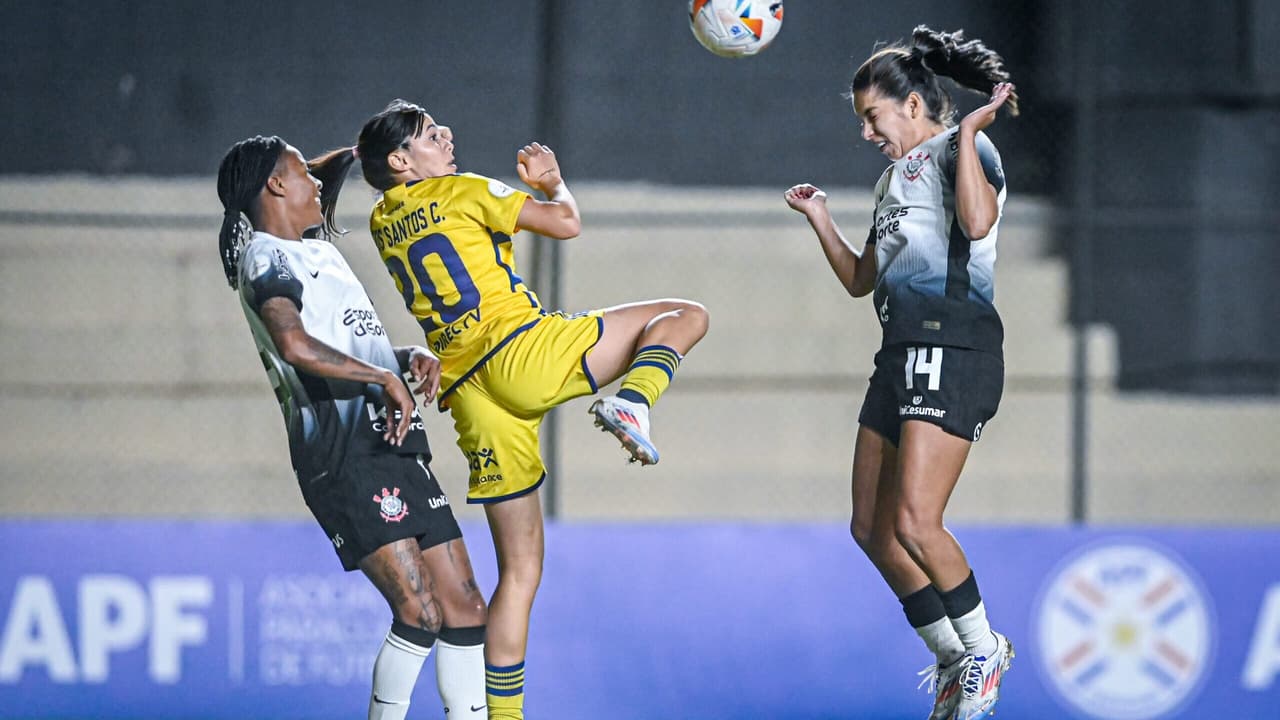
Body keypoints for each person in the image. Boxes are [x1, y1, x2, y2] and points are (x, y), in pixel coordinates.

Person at [309, 101, 709, 720]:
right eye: (428, 134)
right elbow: (566, 224)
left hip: (470, 397)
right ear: (400, 161)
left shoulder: (386, 221)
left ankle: (504, 718)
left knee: (518, 573)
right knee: (685, 316)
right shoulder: (462, 189)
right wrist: (553, 183)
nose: (446, 136)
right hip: (522, 352)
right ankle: (633, 402)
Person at [784, 26, 1018, 720]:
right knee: (872, 529)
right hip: (900, 351)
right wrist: (821, 218)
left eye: (872, 117)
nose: (866, 132)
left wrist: (972, 128)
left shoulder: (963, 148)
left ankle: (984, 649)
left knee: (917, 521)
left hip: (954, 347)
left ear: (913, 105)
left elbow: (975, 226)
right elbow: (862, 279)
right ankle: (950, 655)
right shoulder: (892, 178)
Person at [217, 135, 490, 720]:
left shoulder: (317, 251)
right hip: (344, 456)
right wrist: (382, 379)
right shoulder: (267, 256)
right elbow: (293, 343)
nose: (316, 185)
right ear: (276, 185)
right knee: (419, 612)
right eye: (300, 172)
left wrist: (399, 358)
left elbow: (342, 344)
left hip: (390, 443)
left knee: (465, 606)